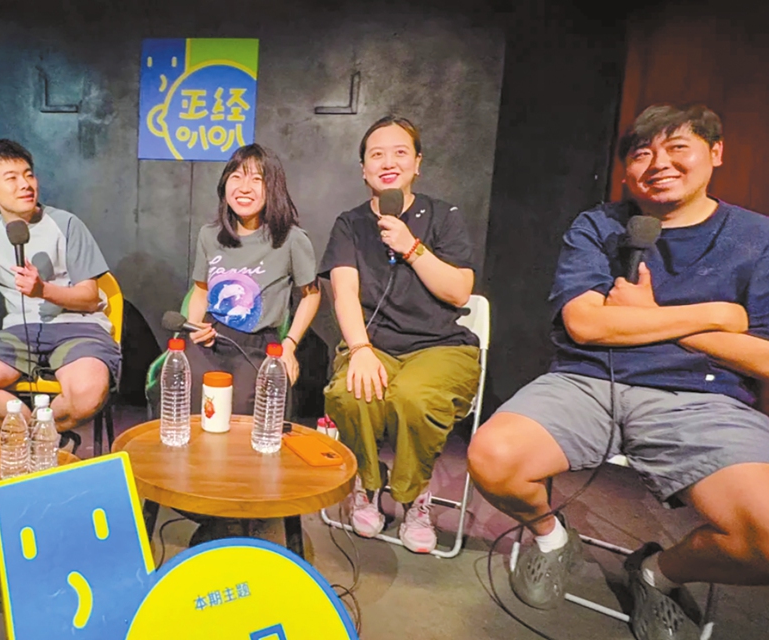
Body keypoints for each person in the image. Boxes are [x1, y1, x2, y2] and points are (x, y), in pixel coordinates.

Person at [468, 104, 769, 640]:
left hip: (702, 396)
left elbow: (763, 357)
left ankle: (658, 573)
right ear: (627, 168)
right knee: (492, 458)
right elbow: (584, 325)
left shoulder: (756, 238)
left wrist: (650, 317)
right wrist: (716, 318)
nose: (659, 163)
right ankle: (551, 536)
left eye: (678, 147)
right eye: (643, 152)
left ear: (715, 152)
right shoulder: (600, 226)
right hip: (587, 382)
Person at [321, 115, 481, 554]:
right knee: (352, 394)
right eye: (376, 154)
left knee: (413, 396)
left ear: (417, 163)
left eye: (399, 152)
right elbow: (345, 294)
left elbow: (459, 290)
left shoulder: (443, 216)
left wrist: (410, 246)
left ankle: (414, 497)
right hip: (373, 344)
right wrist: (360, 350)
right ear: (363, 169)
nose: (388, 161)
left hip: (439, 347)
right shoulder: (350, 224)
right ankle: (367, 486)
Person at [0, 139, 120, 435]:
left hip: (78, 327)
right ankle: (35, 440)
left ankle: (46, 437)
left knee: (87, 392)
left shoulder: (66, 224)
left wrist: (43, 290)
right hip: (18, 332)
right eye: (11, 178)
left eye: (29, 175)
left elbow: (90, 299)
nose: (25, 184)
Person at [185, 143, 319, 414]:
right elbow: (200, 290)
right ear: (224, 185)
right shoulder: (209, 235)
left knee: (243, 404)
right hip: (212, 335)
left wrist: (289, 345)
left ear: (273, 188)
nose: (244, 187)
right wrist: (195, 327)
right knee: (188, 392)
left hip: (259, 343)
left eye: (256, 179)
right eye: (236, 176)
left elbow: (312, 294)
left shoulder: (291, 239)